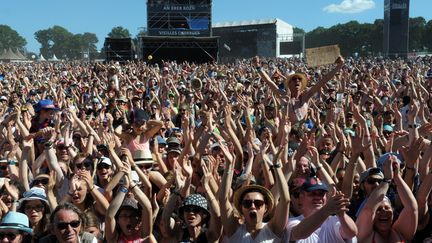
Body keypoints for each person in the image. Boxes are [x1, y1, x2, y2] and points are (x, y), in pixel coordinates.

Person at [286, 176, 357, 242]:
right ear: (301, 198)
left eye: (321, 194)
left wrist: (342, 215)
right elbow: (300, 233)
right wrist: (327, 209)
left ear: (326, 197)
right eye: (312, 193)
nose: (317, 197)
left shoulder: (334, 220)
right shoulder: (292, 222)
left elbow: (351, 233)